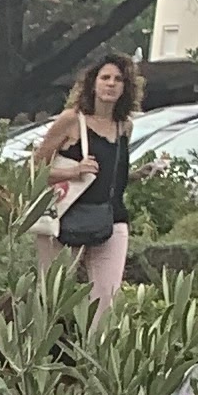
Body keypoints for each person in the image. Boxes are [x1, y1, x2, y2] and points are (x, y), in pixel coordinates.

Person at [34, 51, 137, 310]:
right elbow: (35, 169)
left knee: (107, 300)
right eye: (105, 78)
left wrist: (138, 174)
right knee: (52, 297)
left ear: (126, 88)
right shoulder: (71, 120)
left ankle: (96, 338)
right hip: (66, 217)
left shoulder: (124, 126)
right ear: (93, 83)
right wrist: (73, 171)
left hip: (111, 218)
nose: (111, 84)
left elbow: (110, 175)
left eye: (118, 79)